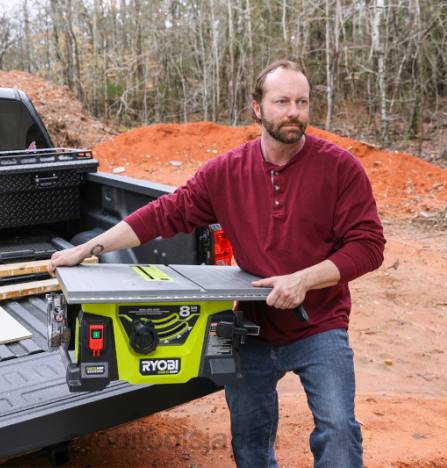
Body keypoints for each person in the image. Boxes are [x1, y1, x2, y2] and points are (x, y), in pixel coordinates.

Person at [48, 59, 385, 468]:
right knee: (250, 440)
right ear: (257, 108)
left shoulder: (340, 168)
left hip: (320, 324)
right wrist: (90, 248)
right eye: (282, 102)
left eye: (302, 102)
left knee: (339, 431)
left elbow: (369, 245)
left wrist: (303, 280)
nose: (294, 112)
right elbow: (164, 214)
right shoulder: (226, 172)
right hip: (253, 328)